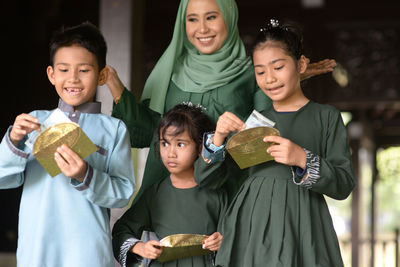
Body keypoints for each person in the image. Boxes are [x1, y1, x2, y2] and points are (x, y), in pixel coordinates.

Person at [105, 0, 336, 202]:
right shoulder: (169, 74)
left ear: (228, 17)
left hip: (228, 199)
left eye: (212, 17)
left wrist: (286, 78)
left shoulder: (251, 74)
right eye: (192, 19)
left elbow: (260, 138)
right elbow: (148, 133)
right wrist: (114, 85)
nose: (202, 28)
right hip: (171, 201)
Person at [199, 19, 355, 267]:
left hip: (302, 223)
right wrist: (217, 138)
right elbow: (208, 179)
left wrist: (302, 159)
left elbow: (344, 185)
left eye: (278, 67)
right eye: (260, 71)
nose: (269, 78)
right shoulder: (255, 121)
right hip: (251, 225)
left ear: (301, 64)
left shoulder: (326, 117)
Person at [0, 22, 135, 267]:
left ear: (102, 75)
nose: (73, 78)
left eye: (84, 70)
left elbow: (122, 194)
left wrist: (86, 174)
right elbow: (3, 177)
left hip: (88, 250)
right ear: (51, 74)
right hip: (37, 247)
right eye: (63, 69)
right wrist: (13, 141)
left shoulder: (114, 129)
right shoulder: (35, 122)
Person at [112, 103, 227, 267]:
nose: (171, 153)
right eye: (165, 143)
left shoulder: (217, 193)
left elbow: (235, 235)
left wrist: (221, 241)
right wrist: (140, 247)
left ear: (200, 147)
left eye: (180, 144)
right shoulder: (155, 194)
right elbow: (122, 230)